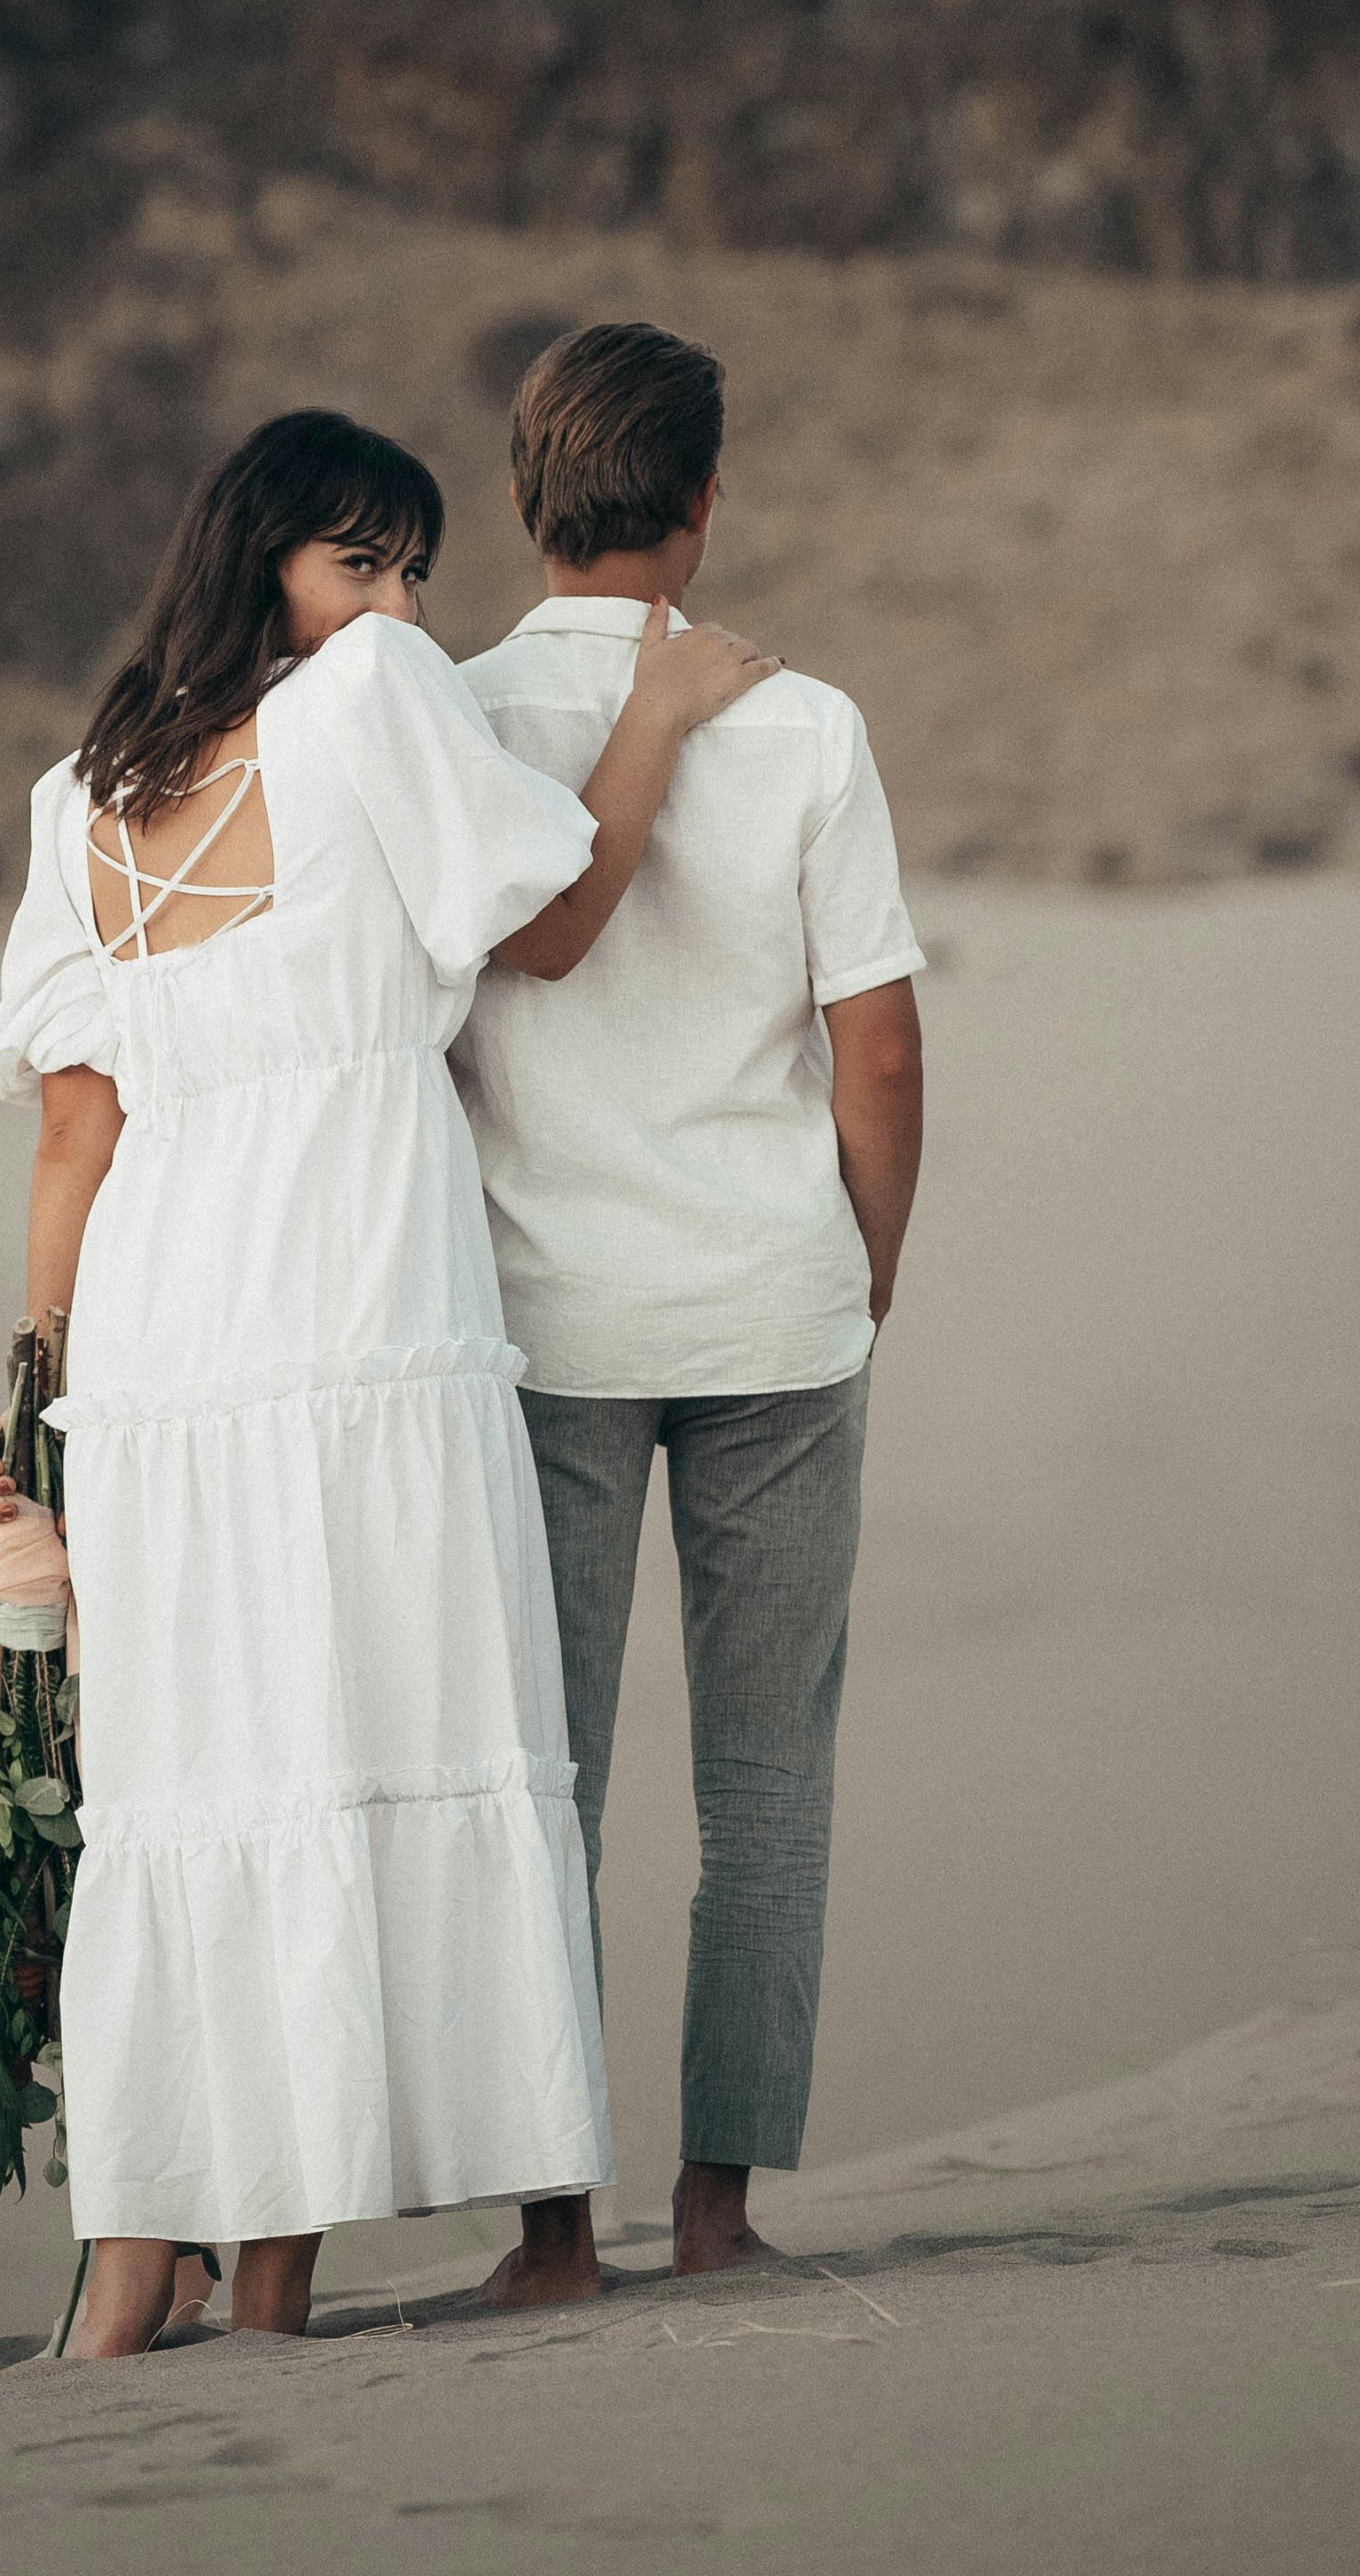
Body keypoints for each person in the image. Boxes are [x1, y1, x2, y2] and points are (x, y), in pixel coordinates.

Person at [0, 408, 775, 2357]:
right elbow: (556, 925)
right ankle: (254, 2297)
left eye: (410, 568)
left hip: (166, 1333)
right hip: (349, 1296)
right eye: (364, 562)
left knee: (203, 1774)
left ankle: (157, 2289)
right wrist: (659, 719)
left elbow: (75, 1137)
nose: (399, 603)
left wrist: (31, 1407)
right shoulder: (375, 697)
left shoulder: (77, 794)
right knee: (335, 1740)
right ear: (269, 566)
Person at [455, 323, 925, 2300]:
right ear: (706, 497)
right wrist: (862, 1273)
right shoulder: (802, 722)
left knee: (542, 1781)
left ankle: (555, 2228)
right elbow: (881, 1051)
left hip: (538, 1321)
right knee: (766, 1788)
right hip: (773, 1310)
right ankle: (720, 2214)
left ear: (523, 494)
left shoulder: (448, 721)